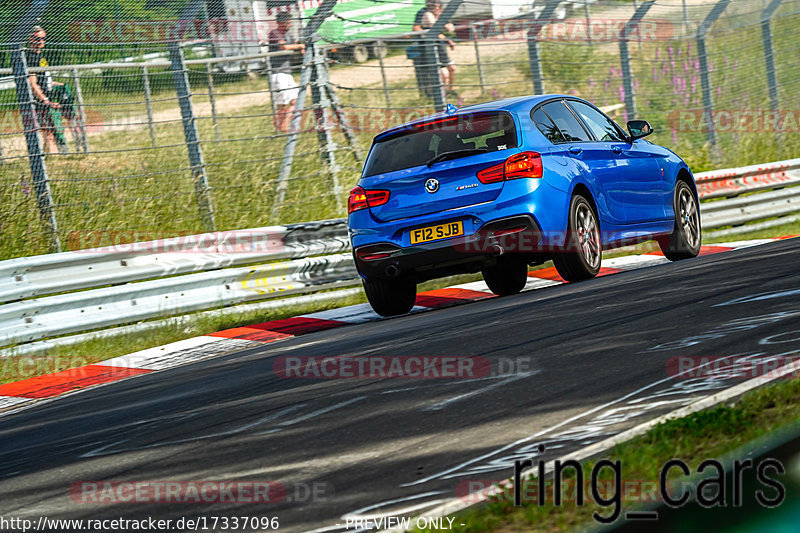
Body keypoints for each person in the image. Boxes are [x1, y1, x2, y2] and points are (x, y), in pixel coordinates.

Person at [26, 25, 68, 153]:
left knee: (53, 127)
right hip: (40, 100)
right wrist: (45, 101)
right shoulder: (31, 57)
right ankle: (50, 159)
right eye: (38, 38)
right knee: (47, 130)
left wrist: (56, 84)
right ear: (30, 39)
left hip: (48, 96)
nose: (42, 41)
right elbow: (33, 84)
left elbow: (43, 78)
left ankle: (52, 156)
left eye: (44, 38)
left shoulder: (41, 56)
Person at [267, 12, 305, 133]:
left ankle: (281, 127)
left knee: (296, 101)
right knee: (282, 105)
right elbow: (284, 47)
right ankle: (281, 129)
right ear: (280, 23)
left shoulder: (288, 35)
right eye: (288, 23)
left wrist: (301, 45)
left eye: (290, 22)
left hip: (287, 74)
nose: (290, 25)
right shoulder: (274, 33)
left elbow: (295, 44)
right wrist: (299, 46)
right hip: (278, 74)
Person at [413, 0, 457, 97]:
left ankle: (450, 90)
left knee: (451, 69)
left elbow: (448, 25)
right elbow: (415, 28)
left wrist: (448, 29)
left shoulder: (441, 11)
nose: (435, 6)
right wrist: (429, 33)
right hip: (427, 46)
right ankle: (439, 94)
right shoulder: (423, 13)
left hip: (440, 45)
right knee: (442, 74)